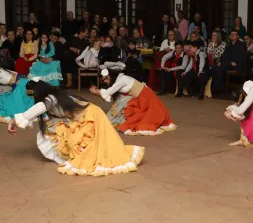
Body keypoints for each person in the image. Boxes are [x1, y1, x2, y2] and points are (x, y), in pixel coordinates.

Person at [7, 79, 145, 176]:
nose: (31, 97)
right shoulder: (54, 96)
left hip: (90, 116)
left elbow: (39, 108)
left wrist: (15, 120)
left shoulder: (50, 99)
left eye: (31, 93)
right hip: (86, 115)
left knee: (95, 148)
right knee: (54, 131)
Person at [90, 69, 176, 135]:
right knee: (143, 114)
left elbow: (109, 92)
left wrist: (97, 91)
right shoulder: (120, 78)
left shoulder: (121, 80)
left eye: (103, 80)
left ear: (108, 76)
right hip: (141, 95)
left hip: (145, 94)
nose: (104, 82)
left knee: (148, 117)